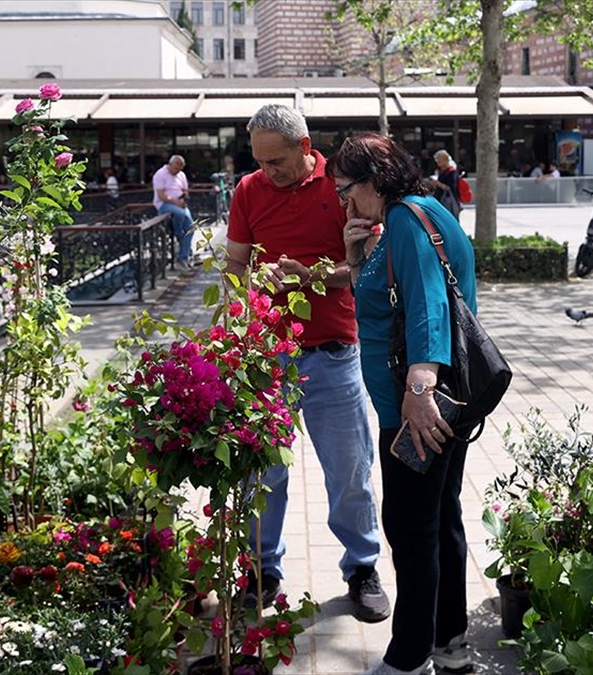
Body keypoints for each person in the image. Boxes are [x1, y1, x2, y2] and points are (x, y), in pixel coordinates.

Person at [223, 104, 390, 624]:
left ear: (304, 146)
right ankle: (261, 571)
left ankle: (362, 567)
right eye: (259, 161)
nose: (267, 171)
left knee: (349, 470)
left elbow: (364, 266)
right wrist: (249, 288)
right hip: (265, 356)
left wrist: (310, 276)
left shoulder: (341, 188)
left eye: (276, 161)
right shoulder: (248, 191)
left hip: (334, 351)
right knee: (262, 473)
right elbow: (235, 264)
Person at [330, 133, 478, 675]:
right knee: (439, 518)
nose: (345, 202)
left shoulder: (406, 221)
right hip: (445, 400)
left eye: (347, 189)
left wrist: (419, 390)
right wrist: (354, 256)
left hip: (417, 410)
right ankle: (448, 640)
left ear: (374, 180)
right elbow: (388, 296)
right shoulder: (421, 212)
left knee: (411, 528)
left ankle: (410, 657)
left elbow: (428, 306)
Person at [152, 155, 195, 268]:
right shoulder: (160, 174)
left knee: (191, 227)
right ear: (170, 164)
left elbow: (185, 190)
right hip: (165, 204)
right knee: (180, 214)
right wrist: (175, 202)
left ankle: (183, 257)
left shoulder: (182, 175)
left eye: (180, 169)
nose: (178, 171)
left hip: (180, 204)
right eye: (176, 168)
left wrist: (184, 199)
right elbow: (161, 195)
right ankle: (178, 234)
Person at [429, 150, 461, 220]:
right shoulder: (442, 171)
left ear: (445, 160)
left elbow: (451, 188)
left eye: (439, 161)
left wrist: (438, 183)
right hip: (440, 199)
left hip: (448, 201)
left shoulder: (452, 172)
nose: (438, 163)